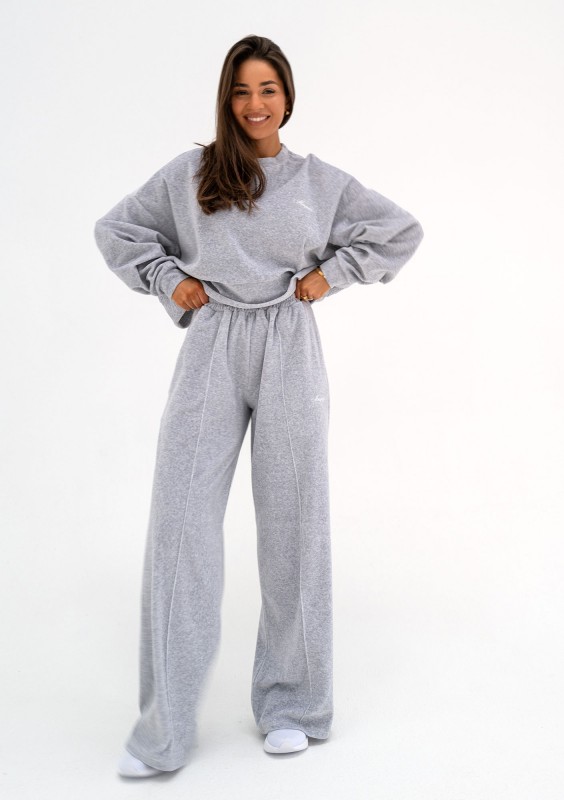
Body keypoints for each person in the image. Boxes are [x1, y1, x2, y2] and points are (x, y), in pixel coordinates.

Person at [94, 34, 424, 779]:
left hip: (289, 345)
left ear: (288, 96)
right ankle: (165, 726)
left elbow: (400, 230)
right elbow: (117, 230)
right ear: (226, 97)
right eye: (241, 90)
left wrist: (331, 275)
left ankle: (294, 707)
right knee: (179, 523)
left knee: (294, 523)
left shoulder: (317, 181)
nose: (254, 104)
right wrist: (167, 279)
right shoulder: (192, 174)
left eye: (268, 89)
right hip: (212, 341)